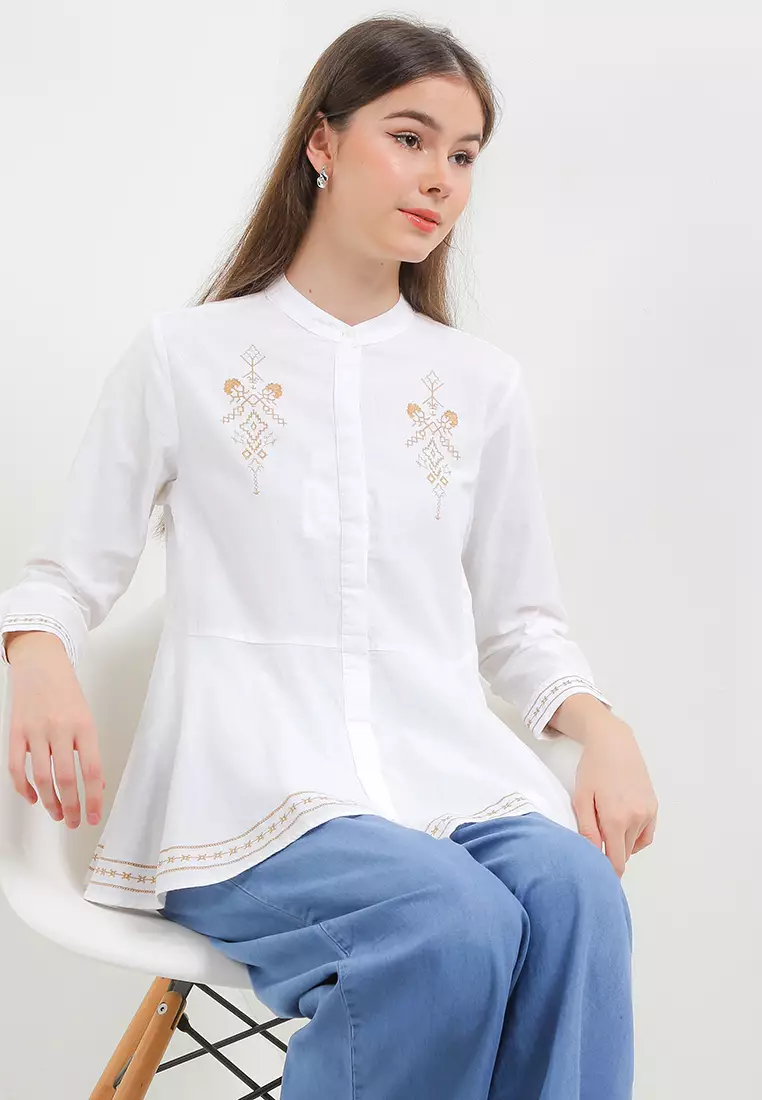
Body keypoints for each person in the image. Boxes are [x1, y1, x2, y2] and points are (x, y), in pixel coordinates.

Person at [1, 14, 657, 1099]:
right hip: (251, 801)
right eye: (409, 137)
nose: (439, 178)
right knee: (449, 922)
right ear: (322, 142)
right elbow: (65, 576)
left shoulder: (480, 386)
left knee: (578, 895)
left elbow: (521, 626)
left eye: (463, 155)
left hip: (445, 778)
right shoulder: (186, 356)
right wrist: (35, 654)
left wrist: (604, 727)